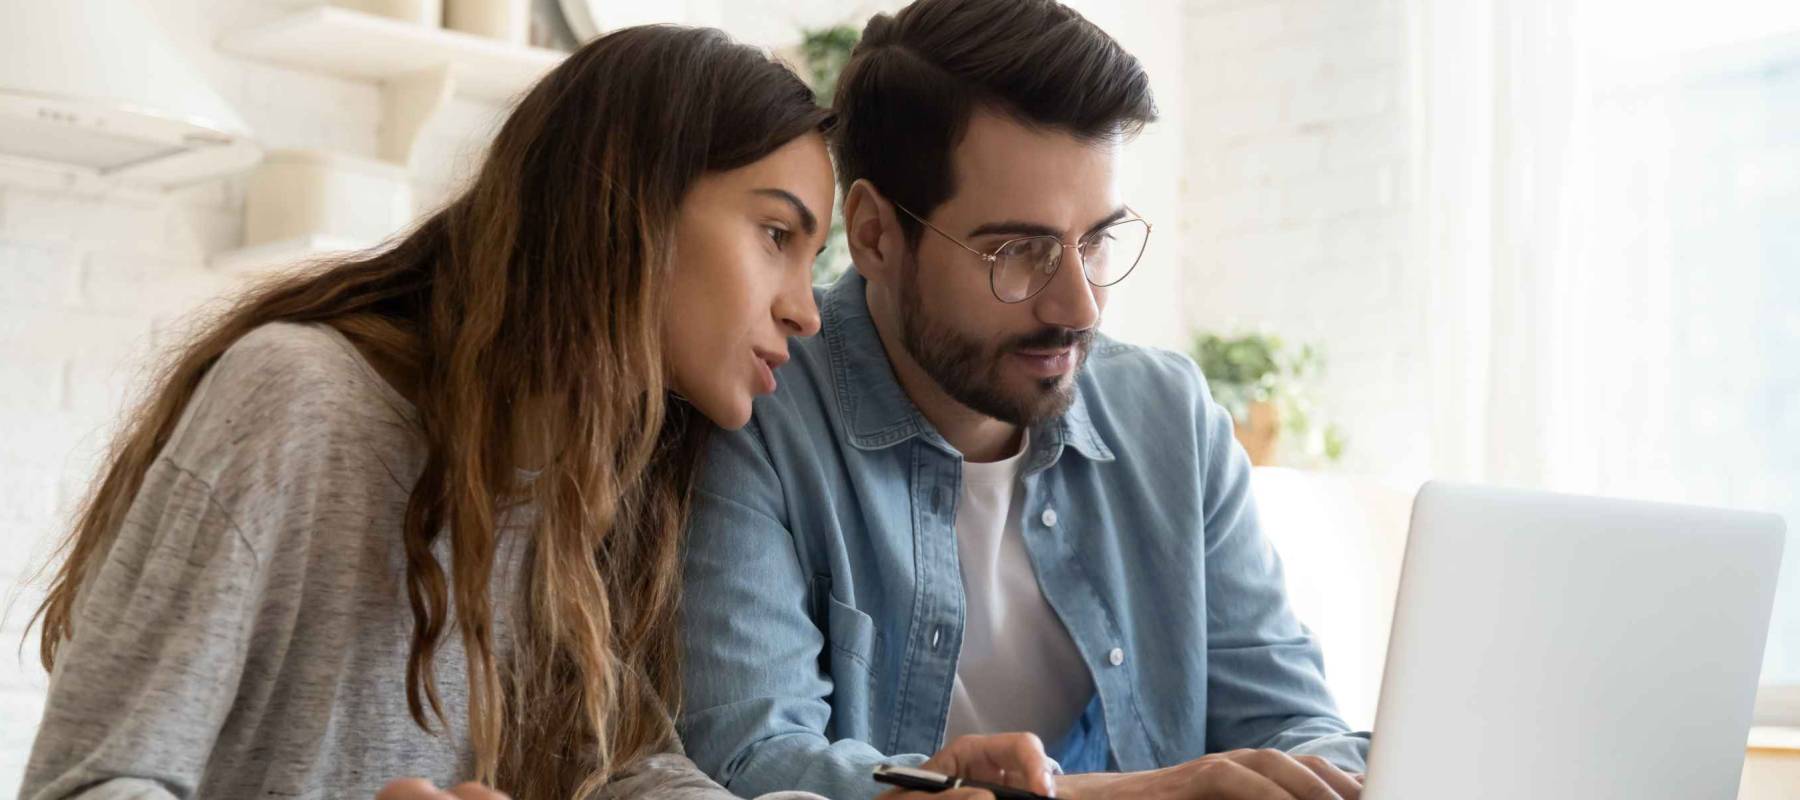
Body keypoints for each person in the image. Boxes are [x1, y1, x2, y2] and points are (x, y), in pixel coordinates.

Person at [20, 23, 1049, 800]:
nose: (802, 307)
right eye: (775, 234)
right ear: (629, 205)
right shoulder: (298, 401)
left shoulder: (617, 477)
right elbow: (90, 777)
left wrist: (892, 790)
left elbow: (628, 771)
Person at [678, 2, 1372, 799]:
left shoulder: (1171, 418)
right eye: (1018, 252)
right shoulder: (755, 409)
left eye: (1097, 241)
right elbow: (748, 759)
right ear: (874, 235)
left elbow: (1293, 724)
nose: (1080, 307)